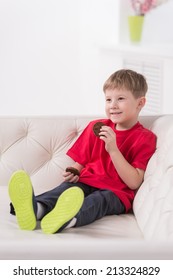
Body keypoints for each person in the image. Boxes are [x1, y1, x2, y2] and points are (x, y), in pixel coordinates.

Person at [8, 69, 157, 234]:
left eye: (120, 99)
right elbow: (81, 161)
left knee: (97, 202)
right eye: (108, 100)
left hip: (116, 192)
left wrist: (113, 150)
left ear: (140, 103)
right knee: (64, 190)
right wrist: (74, 171)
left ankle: (65, 219)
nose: (112, 105)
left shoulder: (145, 138)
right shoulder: (97, 126)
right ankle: (37, 209)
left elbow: (134, 182)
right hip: (86, 181)